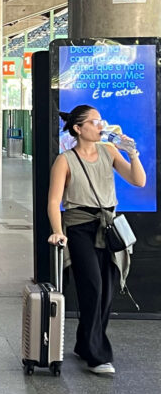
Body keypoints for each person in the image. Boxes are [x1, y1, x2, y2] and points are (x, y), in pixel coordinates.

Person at [47, 105, 145, 376]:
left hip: (109, 226)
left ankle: (84, 342)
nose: (101, 125)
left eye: (101, 120)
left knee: (108, 289)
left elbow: (138, 181)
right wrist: (59, 231)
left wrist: (132, 153)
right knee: (93, 287)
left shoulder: (109, 151)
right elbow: (54, 202)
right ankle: (97, 354)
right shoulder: (65, 160)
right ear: (78, 129)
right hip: (79, 227)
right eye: (94, 121)